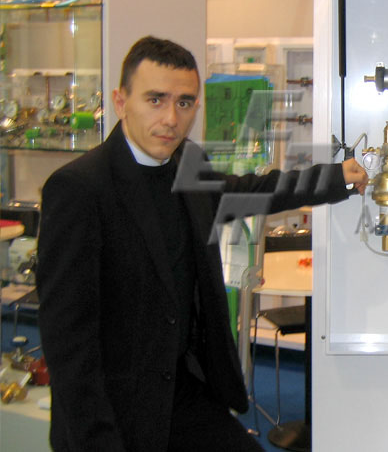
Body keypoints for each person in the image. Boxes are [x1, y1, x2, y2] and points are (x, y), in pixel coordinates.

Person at [35, 36, 368, 451]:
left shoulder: (186, 163)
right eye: (155, 100)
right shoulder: (80, 189)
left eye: (184, 103)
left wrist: (335, 178)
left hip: (181, 391)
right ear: (121, 102)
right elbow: (68, 341)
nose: (171, 118)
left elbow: (249, 191)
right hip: (113, 409)